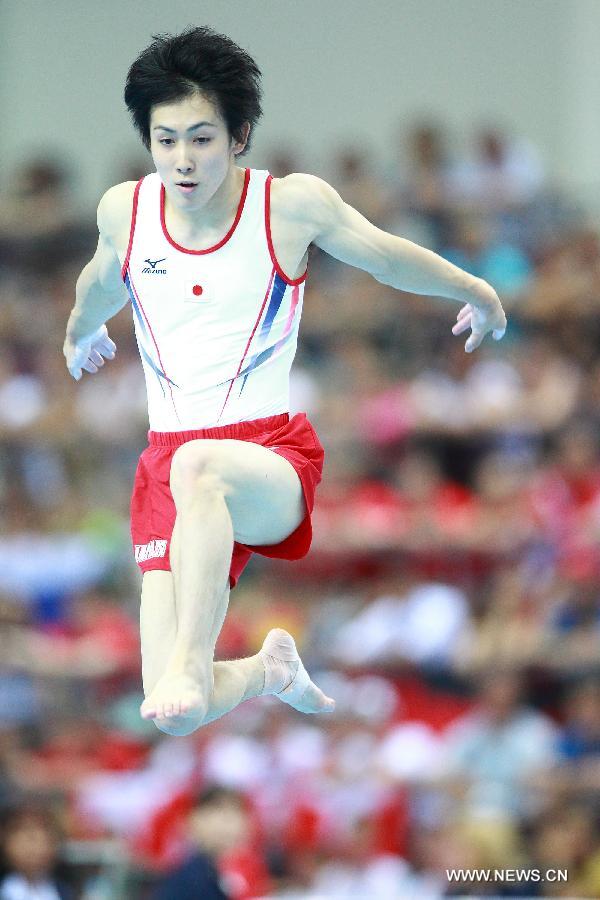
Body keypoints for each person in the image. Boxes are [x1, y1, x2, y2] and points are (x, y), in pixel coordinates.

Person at [63, 26, 506, 737]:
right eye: (166, 139)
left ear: (239, 136)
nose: (182, 159)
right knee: (176, 713)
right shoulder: (126, 209)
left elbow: (385, 257)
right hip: (165, 467)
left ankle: (191, 660)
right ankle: (268, 670)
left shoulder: (288, 205)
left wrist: (476, 289)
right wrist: (79, 329)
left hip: (267, 458)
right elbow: (100, 277)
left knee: (200, 465)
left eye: (202, 138)